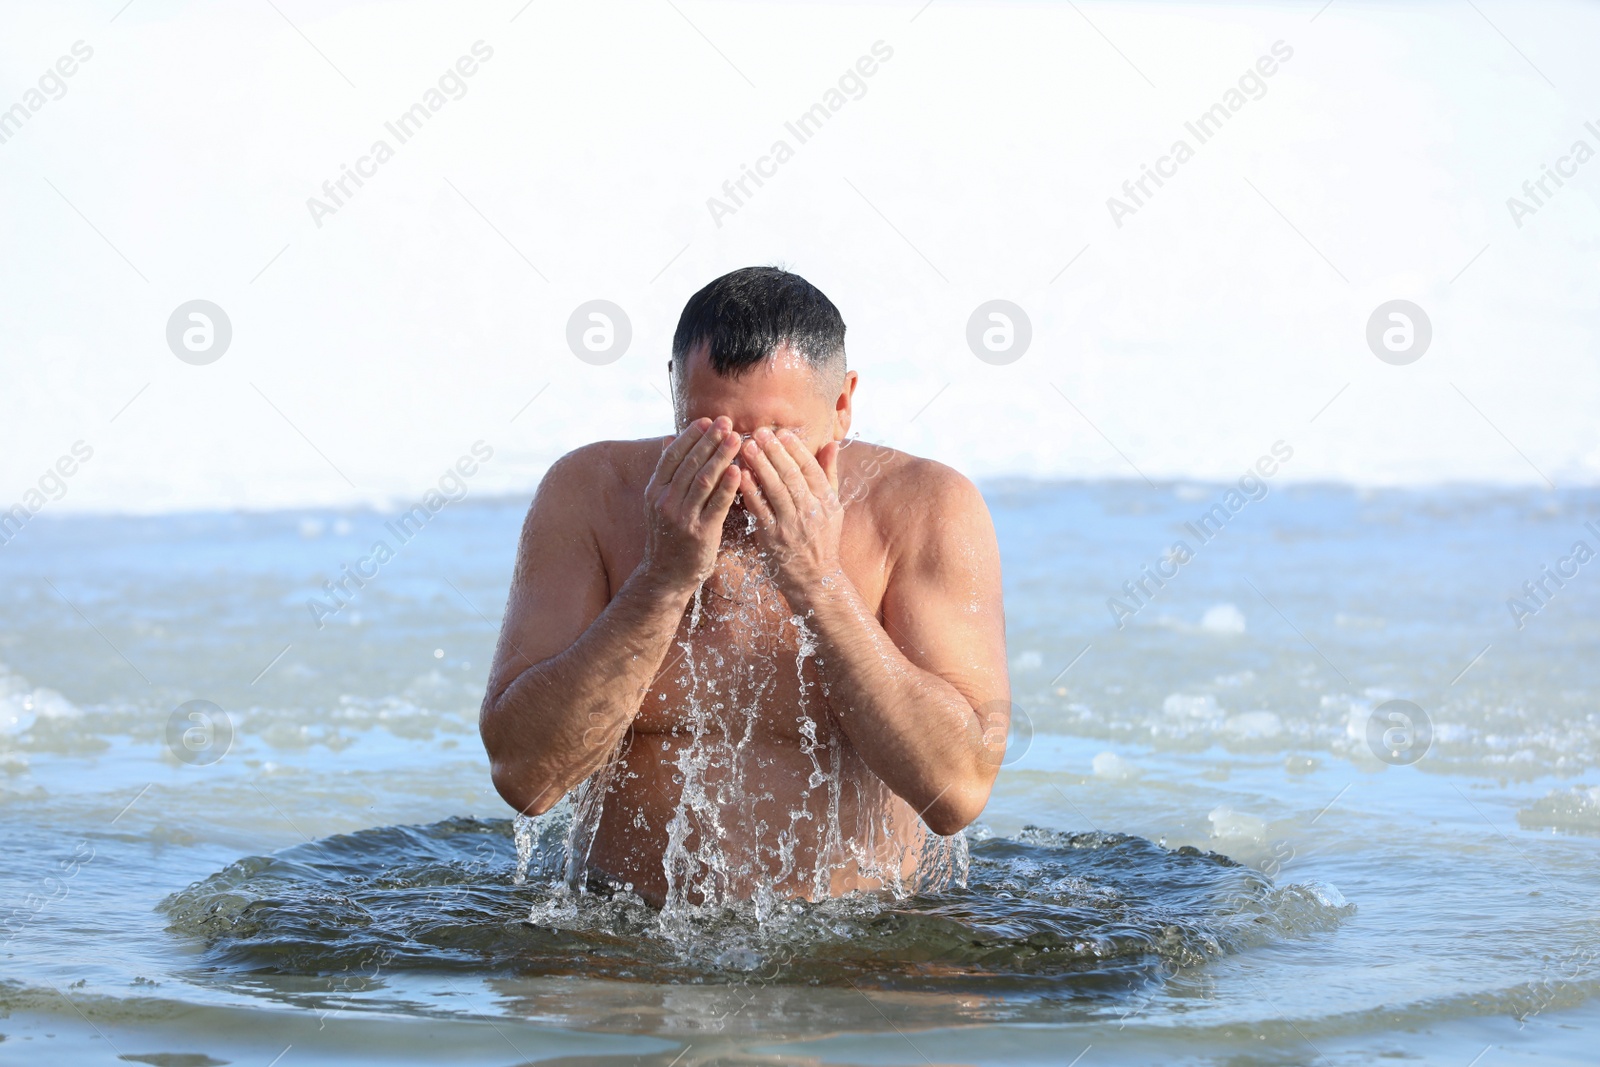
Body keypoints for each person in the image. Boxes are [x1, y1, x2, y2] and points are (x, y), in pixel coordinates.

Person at [479, 266, 1009, 906]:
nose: (738, 475)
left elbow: (956, 792)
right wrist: (661, 580)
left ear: (842, 407)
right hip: (620, 929)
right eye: (707, 437)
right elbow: (526, 777)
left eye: (775, 443)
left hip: (862, 934)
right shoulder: (589, 495)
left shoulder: (925, 509)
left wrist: (818, 581)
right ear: (674, 396)